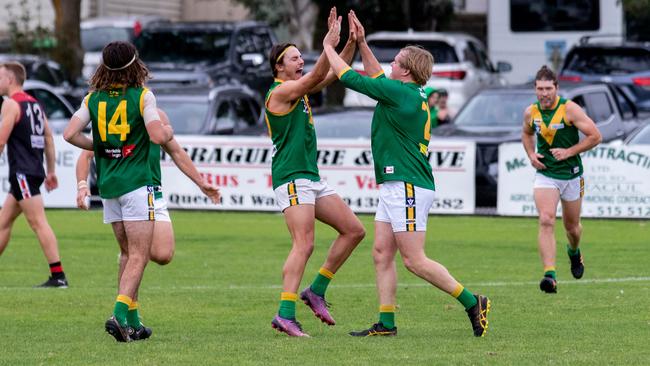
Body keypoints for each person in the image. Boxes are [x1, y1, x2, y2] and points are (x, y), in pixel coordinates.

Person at [322, 12, 490, 337]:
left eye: (396, 61)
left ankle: (473, 301)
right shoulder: (404, 91)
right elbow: (377, 76)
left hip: (408, 185)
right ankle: (386, 324)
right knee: (382, 253)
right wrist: (361, 42)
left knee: (414, 260)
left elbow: (348, 77)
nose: (391, 64)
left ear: (407, 71)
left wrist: (329, 46)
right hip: (396, 184)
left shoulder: (401, 93)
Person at [64, 41, 174, 342]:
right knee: (139, 255)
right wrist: (168, 132)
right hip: (138, 183)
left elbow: (69, 134)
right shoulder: (143, 97)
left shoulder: (93, 99)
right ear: (135, 64)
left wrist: (100, 148)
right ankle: (119, 314)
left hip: (110, 186)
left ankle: (134, 323)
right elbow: (155, 134)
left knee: (127, 254)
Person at [266, 8, 366, 337]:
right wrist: (328, 45)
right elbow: (314, 77)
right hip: (292, 177)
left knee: (353, 230)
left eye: (299, 57)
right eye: (293, 58)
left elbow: (333, 73)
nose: (299, 61)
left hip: (310, 176)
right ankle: (285, 313)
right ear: (278, 67)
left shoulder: (300, 89)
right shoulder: (280, 92)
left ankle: (316, 290)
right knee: (303, 244)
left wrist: (350, 42)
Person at [522, 65, 601, 294]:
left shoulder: (570, 109)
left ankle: (574, 253)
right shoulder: (531, 112)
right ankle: (550, 275)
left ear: (556, 88)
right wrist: (530, 154)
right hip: (546, 174)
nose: (544, 93)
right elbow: (526, 133)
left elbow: (595, 136)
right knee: (546, 219)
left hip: (571, 174)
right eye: (539, 89)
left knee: (572, 228)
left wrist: (569, 152)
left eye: (548, 88)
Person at [0, 61, 68, 288]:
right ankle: (58, 275)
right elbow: (48, 137)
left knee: (38, 222)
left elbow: (1, 140)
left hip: (23, 172)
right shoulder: (34, 104)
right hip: (32, 171)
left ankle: (58, 275)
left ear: (10, 80)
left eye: (0, 77)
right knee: (3, 222)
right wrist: (50, 171)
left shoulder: (11, 104)